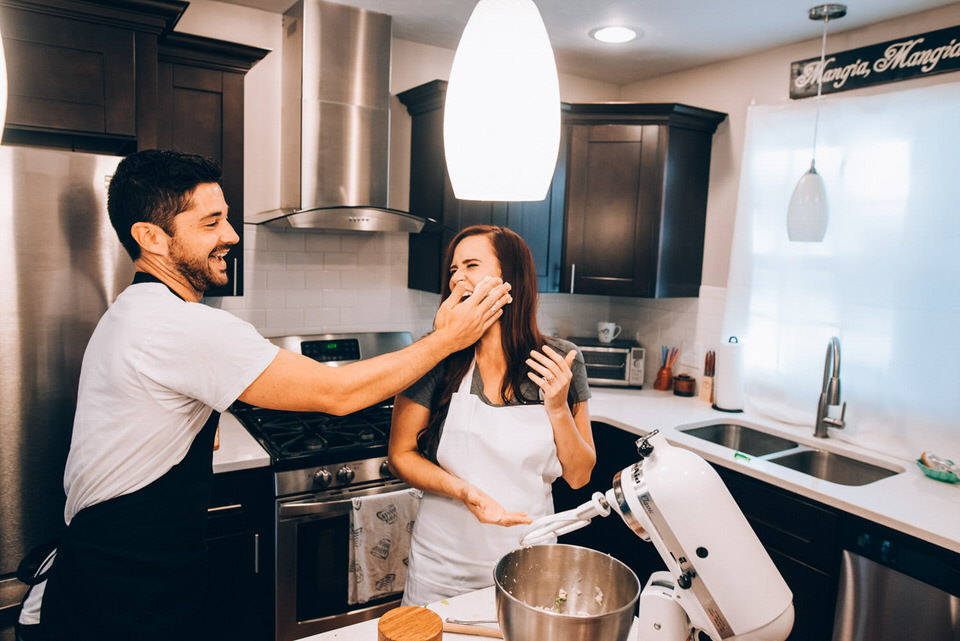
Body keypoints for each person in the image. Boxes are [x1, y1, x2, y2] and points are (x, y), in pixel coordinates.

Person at [15, 150, 512, 641]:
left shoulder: (136, 310)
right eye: (211, 223)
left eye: (227, 219)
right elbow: (338, 393)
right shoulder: (177, 325)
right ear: (151, 238)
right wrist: (448, 338)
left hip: (122, 572)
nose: (231, 236)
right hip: (117, 594)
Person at [388, 225, 595, 606]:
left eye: (470, 265)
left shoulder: (561, 360)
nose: (457, 278)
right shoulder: (435, 354)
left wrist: (557, 407)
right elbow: (400, 455)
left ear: (510, 278)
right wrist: (464, 491)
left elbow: (580, 475)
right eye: (453, 270)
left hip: (529, 561)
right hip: (442, 566)